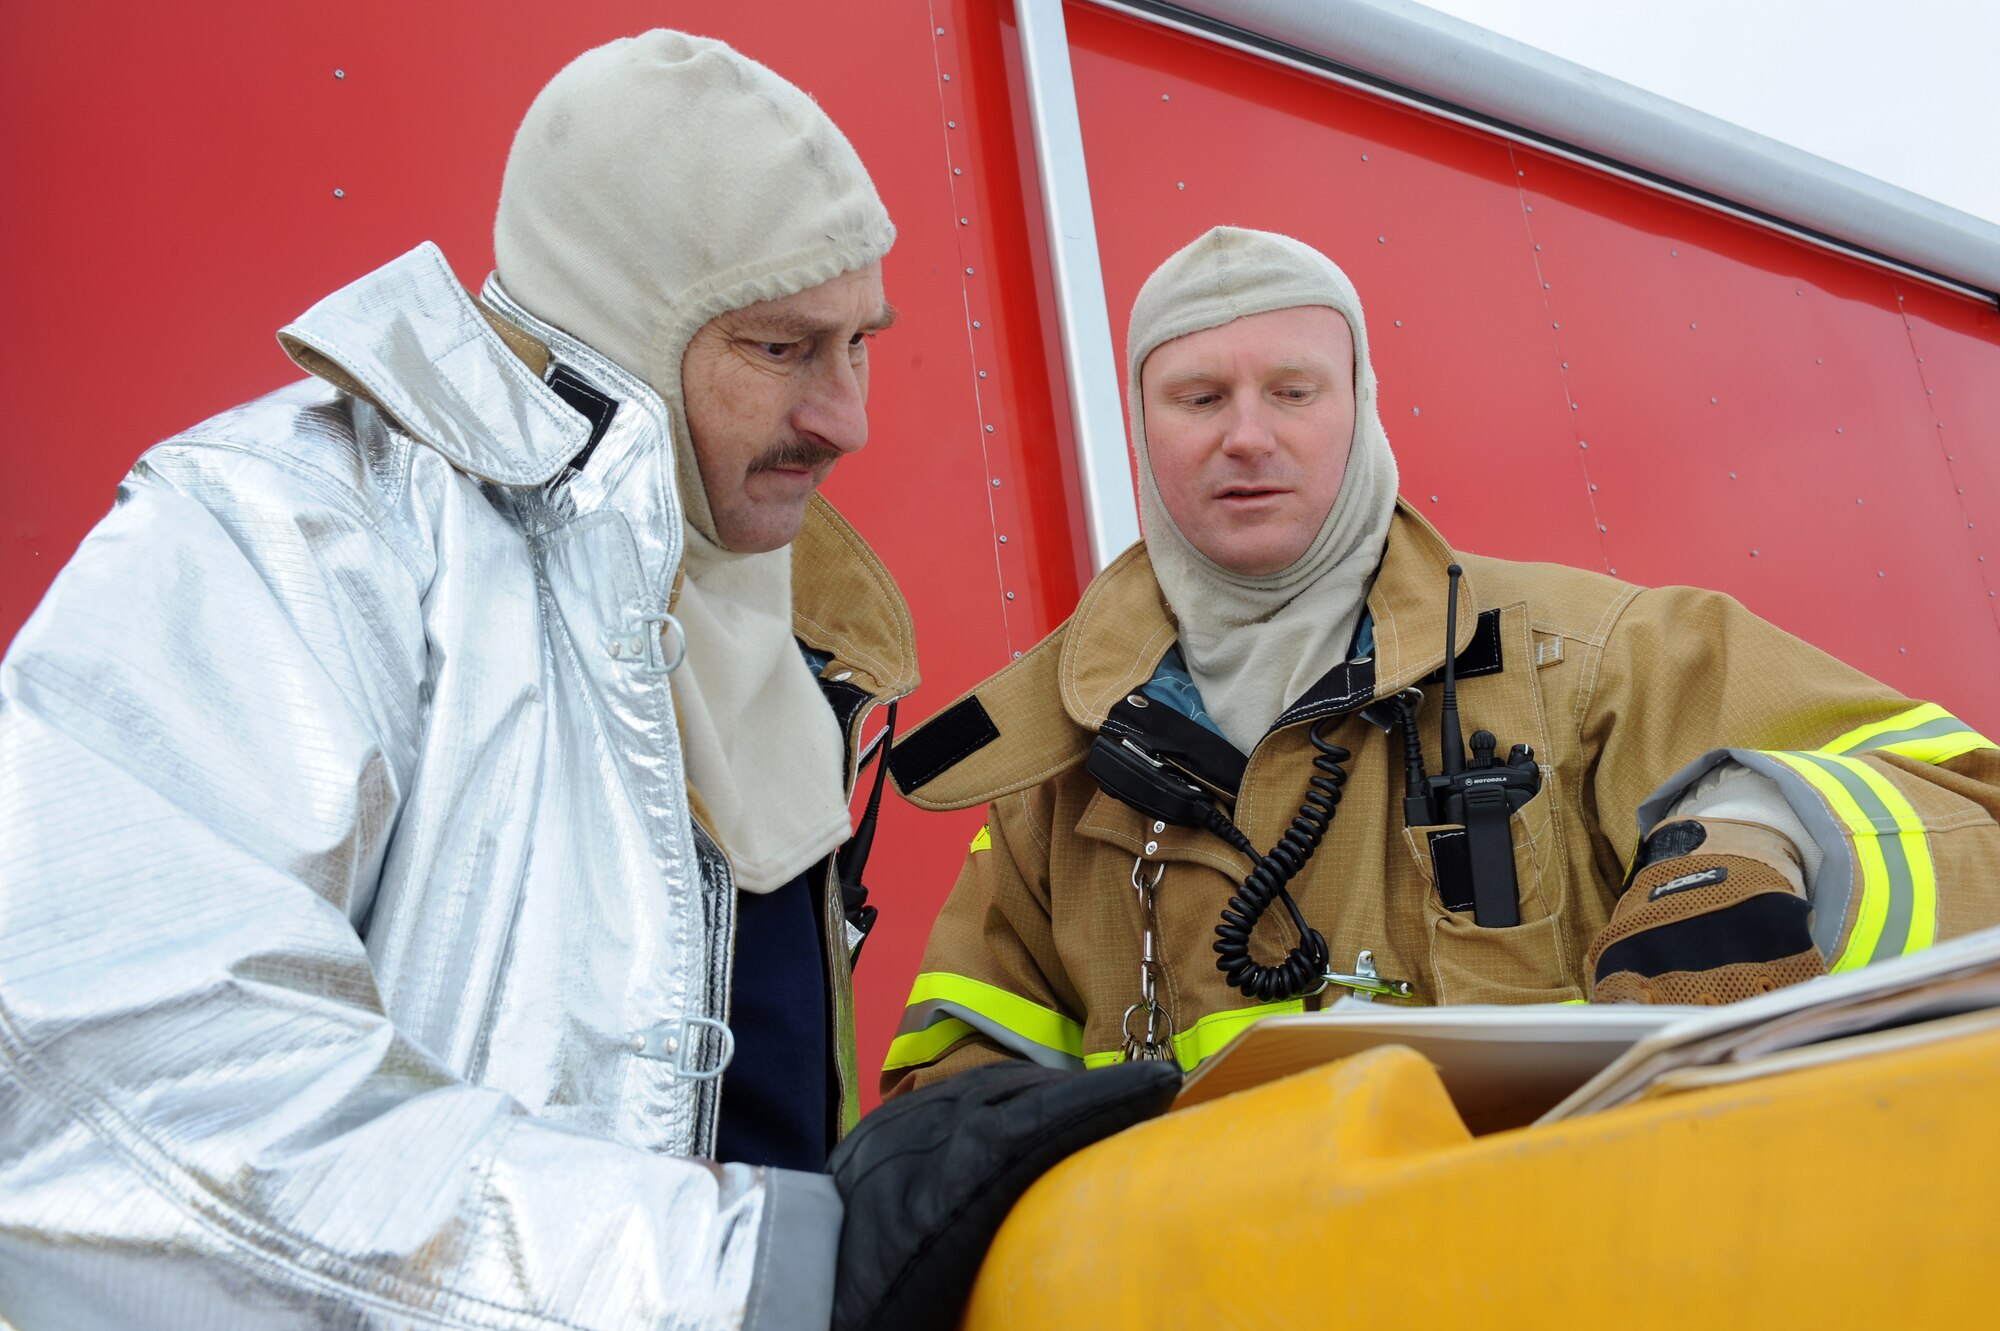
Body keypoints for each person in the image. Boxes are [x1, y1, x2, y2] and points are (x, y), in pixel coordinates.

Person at [0, 31, 1173, 1331]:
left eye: (862, 343)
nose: (849, 414)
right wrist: (742, 1269)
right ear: (620, 321)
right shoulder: (282, 541)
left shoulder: (785, 637)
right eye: (783, 347)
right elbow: (121, 1097)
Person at [881, 225, 2000, 1092]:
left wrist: (1761, 830)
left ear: (1359, 407)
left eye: (1291, 390)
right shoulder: (1058, 772)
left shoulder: (1596, 657)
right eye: (1198, 397)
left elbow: (1963, 805)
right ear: (1142, 427)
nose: (1246, 436)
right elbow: (951, 1088)